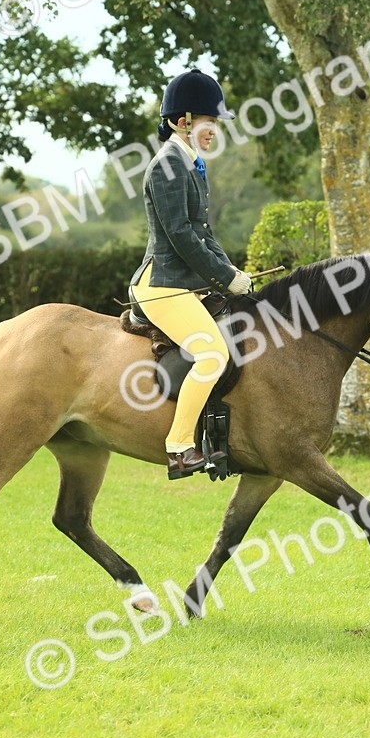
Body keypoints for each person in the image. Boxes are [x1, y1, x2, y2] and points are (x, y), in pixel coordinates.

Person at [128, 68, 252, 480]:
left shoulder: (192, 164)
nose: (214, 131)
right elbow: (180, 235)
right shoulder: (166, 166)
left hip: (186, 284)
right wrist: (223, 277)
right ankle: (180, 447)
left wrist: (231, 273)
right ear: (182, 121)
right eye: (209, 122)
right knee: (213, 354)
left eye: (215, 123)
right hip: (163, 285)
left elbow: (204, 232)